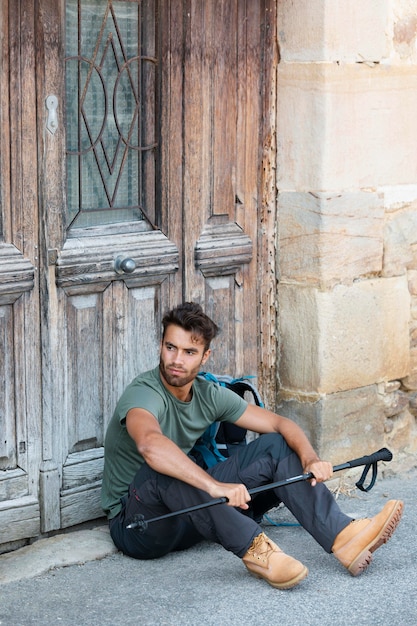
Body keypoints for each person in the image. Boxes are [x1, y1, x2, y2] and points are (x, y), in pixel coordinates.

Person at [101, 302, 403, 589]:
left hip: (193, 514)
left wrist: (311, 459)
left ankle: (344, 538)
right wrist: (214, 486)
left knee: (275, 445)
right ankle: (259, 553)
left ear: (205, 356)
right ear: (162, 346)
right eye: (170, 348)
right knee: (168, 468)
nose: (177, 360)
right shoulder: (143, 393)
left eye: (189, 352)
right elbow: (151, 446)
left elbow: (281, 425)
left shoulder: (209, 394)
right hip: (139, 525)